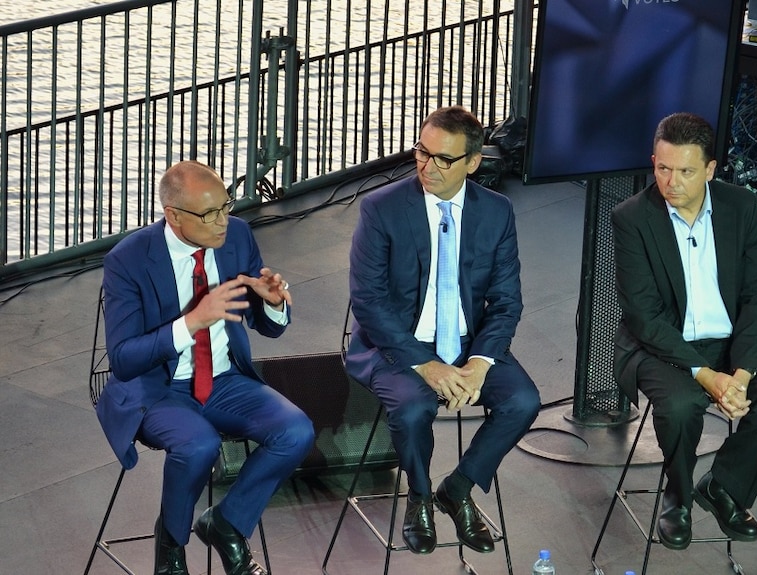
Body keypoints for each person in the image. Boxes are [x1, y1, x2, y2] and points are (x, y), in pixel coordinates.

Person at [97, 160, 315, 575]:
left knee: (296, 431)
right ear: (174, 216)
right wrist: (192, 321)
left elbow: (266, 327)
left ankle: (226, 522)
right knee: (198, 444)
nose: (222, 222)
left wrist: (273, 302)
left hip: (224, 378)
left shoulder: (237, 237)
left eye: (226, 207)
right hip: (155, 389)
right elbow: (123, 359)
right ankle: (171, 543)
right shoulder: (127, 260)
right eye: (210, 214)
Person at [345, 106, 541, 555]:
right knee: (414, 409)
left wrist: (479, 362)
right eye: (422, 152)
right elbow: (369, 302)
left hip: (468, 343)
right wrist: (426, 365)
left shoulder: (496, 212)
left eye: (443, 159)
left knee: (523, 400)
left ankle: (458, 489)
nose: (427, 167)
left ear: (473, 163)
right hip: (395, 345)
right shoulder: (381, 209)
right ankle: (418, 497)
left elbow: (507, 300)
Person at [612, 112, 757, 550]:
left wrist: (741, 374)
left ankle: (724, 487)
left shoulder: (739, 207)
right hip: (658, 346)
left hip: (729, 341)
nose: (670, 182)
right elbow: (645, 317)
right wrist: (706, 375)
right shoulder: (632, 218)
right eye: (662, 168)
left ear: (711, 170)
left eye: (685, 171)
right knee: (679, 406)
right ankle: (676, 498)